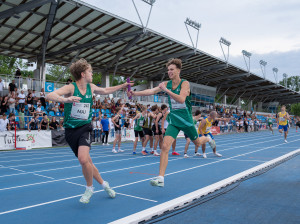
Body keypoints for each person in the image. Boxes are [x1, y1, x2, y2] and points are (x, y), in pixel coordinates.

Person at [46, 59, 133, 203]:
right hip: (70, 130)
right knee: (88, 163)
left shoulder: (91, 87)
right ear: (83, 74)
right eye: (90, 71)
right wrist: (66, 100)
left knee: (83, 159)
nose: (92, 74)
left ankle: (89, 188)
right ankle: (105, 185)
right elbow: (50, 95)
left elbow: (105, 90)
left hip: (85, 128)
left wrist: (123, 85)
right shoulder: (71, 88)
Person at [128, 58, 212, 187]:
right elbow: (151, 91)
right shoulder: (167, 83)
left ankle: (208, 138)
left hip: (186, 121)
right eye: (168, 70)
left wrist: (166, 91)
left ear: (178, 70)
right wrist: (135, 93)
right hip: (174, 121)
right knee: (165, 147)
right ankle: (161, 178)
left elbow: (181, 99)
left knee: (198, 142)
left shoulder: (185, 84)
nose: (169, 72)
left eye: (172, 69)